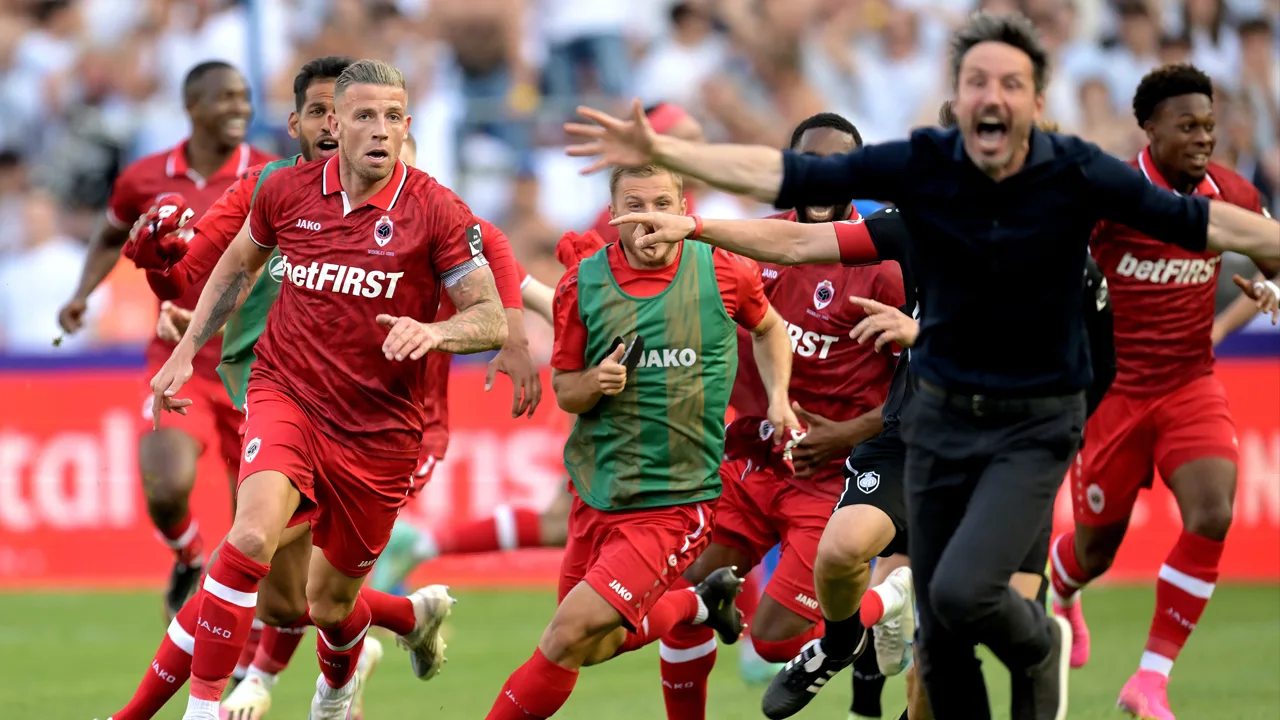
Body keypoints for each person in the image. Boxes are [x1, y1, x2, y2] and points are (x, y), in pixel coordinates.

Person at [564, 13, 1280, 718]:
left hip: (1026, 433)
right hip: (932, 426)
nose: (991, 97)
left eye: (1010, 82)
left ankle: (1030, 642)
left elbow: (1209, 226)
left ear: (1035, 101)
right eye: (976, 81)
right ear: (960, 104)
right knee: (922, 625)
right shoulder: (922, 185)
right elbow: (789, 199)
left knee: (962, 599)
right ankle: (869, 641)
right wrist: (690, 206)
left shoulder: (1077, 181)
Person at [114, 58, 509, 720]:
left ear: (407, 126)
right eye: (364, 116)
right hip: (286, 395)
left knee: (326, 602)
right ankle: (204, 708)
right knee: (246, 542)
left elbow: (489, 314)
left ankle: (343, 678)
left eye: (393, 118)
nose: (380, 130)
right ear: (334, 124)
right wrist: (186, 349)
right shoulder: (284, 191)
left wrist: (438, 334)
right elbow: (235, 264)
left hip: (378, 427)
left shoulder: (435, 210)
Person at [484, 163, 800, 719]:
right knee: (588, 644)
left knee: (565, 636)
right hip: (598, 490)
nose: (649, 218)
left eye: (661, 204)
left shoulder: (725, 270)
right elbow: (566, 390)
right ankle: (699, 605)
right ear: (613, 216)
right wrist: (594, 382)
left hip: (677, 501)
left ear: (682, 210)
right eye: (634, 206)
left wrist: (778, 397)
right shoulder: (583, 283)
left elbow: (771, 327)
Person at [1048, 63, 1280, 720]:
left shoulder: (1232, 192)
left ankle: (1150, 680)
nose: (1203, 137)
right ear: (1149, 130)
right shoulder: (1114, 196)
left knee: (1212, 511)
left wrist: (1261, 300)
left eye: (1208, 124)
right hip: (1114, 395)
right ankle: (1063, 592)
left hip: (1188, 385)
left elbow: (1276, 265)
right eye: (1187, 126)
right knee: (1095, 551)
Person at [656, 112, 902, 720]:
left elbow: (921, 389)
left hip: (836, 477)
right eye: (808, 168)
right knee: (681, 600)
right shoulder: (754, 247)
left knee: (771, 641)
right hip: (754, 461)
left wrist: (846, 432)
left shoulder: (888, 268)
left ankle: (882, 611)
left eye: (835, 168)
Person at [57, 61, 275, 620]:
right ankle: (187, 557)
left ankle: (238, 662)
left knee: (255, 536)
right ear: (192, 106)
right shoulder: (144, 178)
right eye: (225, 97)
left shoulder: (271, 177)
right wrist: (83, 293)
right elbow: (111, 235)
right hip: (181, 361)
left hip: (256, 368)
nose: (239, 108)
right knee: (164, 484)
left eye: (244, 98)